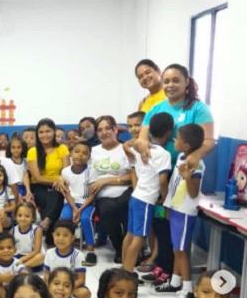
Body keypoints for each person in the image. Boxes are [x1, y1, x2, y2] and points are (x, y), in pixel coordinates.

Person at [135, 64, 215, 285]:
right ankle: (164, 267)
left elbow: (208, 141)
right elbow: (143, 137)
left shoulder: (198, 109)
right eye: (167, 81)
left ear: (186, 81)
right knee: (161, 221)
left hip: (183, 176)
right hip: (160, 174)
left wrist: (194, 158)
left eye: (175, 80)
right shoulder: (156, 108)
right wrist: (143, 148)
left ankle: (175, 274)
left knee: (178, 229)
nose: (170, 85)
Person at [158, 124, 206, 298]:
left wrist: (187, 175)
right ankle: (175, 281)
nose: (173, 140)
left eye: (177, 138)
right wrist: (168, 205)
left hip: (186, 212)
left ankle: (188, 289)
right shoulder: (180, 156)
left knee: (181, 251)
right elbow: (174, 185)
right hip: (176, 209)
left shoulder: (197, 164)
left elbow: (193, 193)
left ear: (186, 144)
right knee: (175, 248)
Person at [121, 112, 173, 274]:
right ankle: (128, 274)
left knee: (130, 234)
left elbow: (125, 146)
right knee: (139, 237)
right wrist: (165, 197)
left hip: (135, 197)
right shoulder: (164, 154)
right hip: (146, 200)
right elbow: (163, 180)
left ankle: (123, 269)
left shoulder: (140, 149)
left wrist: (138, 141)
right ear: (169, 132)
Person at [89, 115, 132, 263]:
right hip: (103, 196)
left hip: (126, 190)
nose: (104, 132)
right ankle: (120, 249)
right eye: (100, 130)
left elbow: (133, 176)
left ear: (115, 130)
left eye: (108, 128)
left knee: (127, 206)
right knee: (107, 210)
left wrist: (107, 180)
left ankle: (132, 250)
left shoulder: (125, 149)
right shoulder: (93, 151)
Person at [27, 118, 70, 241]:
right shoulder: (32, 151)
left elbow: (66, 172)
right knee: (55, 195)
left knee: (56, 194)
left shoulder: (62, 148)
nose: (44, 135)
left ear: (54, 132)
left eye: (48, 131)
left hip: (60, 186)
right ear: (37, 134)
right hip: (40, 187)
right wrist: (58, 180)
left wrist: (61, 180)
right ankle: (50, 230)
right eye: (41, 132)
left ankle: (46, 224)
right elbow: (38, 178)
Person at [59, 141, 97, 266]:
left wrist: (80, 210)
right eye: (76, 151)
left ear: (89, 157)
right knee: (64, 219)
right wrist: (75, 208)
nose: (80, 155)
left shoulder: (91, 171)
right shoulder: (65, 171)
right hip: (71, 203)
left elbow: (92, 194)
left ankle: (91, 250)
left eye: (84, 153)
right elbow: (66, 192)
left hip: (87, 204)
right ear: (71, 153)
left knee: (86, 219)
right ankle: (66, 247)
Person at [43, 220, 90, 298]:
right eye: (57, 235)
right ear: (52, 235)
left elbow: (81, 279)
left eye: (65, 235)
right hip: (54, 286)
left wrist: (66, 289)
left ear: (72, 238)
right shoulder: (49, 253)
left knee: (85, 294)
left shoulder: (79, 255)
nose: (61, 238)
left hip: (71, 287)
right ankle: (58, 297)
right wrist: (52, 288)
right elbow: (46, 275)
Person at [8, 202, 44, 271]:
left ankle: (21, 267)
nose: (23, 218)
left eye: (27, 216)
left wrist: (21, 261)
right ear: (15, 217)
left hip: (32, 257)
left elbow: (37, 251)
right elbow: (11, 248)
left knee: (41, 256)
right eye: (20, 215)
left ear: (33, 218)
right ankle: (22, 269)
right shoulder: (13, 230)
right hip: (18, 257)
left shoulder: (37, 230)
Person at [6, 134, 29, 200]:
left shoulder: (25, 161)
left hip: (23, 188)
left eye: (19, 147)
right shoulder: (7, 162)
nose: (16, 150)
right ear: (9, 149)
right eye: (13, 147)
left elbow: (26, 176)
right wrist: (17, 194)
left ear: (23, 148)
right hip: (11, 188)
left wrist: (28, 191)